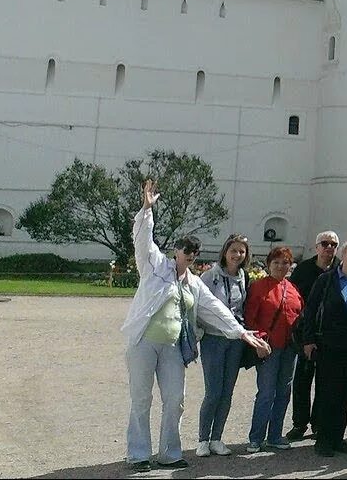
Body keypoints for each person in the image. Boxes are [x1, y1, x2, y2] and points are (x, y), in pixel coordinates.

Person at [122, 180, 268, 473]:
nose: (190, 255)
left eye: (195, 252)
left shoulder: (194, 283)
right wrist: (147, 210)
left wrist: (241, 332)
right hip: (143, 343)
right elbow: (142, 240)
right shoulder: (153, 266)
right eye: (186, 249)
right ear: (175, 250)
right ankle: (138, 454)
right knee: (142, 398)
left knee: (175, 400)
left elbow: (216, 309)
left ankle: (169, 453)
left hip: (173, 347)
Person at [299, 236, 347, 458]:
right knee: (326, 392)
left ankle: (337, 437)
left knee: (344, 393)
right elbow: (311, 311)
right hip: (328, 344)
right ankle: (323, 439)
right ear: (342, 255)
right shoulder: (326, 280)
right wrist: (308, 340)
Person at [196, 233, 252, 458]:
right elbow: (198, 304)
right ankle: (202, 439)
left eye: (241, 251)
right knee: (213, 392)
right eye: (234, 250)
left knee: (227, 392)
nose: (237, 255)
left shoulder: (243, 277)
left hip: (235, 341)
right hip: (213, 339)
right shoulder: (210, 276)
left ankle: (217, 438)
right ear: (225, 251)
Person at [244, 245, 304, 451]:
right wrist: (259, 342)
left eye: (285, 262)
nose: (280, 266)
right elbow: (250, 319)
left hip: (290, 349)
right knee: (267, 392)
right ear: (269, 264)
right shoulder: (259, 287)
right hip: (269, 348)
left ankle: (275, 435)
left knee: (283, 392)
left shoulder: (293, 289)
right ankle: (256, 437)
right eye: (276, 262)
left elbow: (299, 316)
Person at [284, 231, 338, 441]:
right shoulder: (304, 269)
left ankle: (318, 422)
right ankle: (299, 423)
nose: (329, 247)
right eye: (324, 243)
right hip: (306, 332)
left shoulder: (340, 268)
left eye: (333, 244)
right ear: (316, 247)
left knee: (325, 380)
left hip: (330, 333)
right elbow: (292, 298)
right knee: (302, 380)